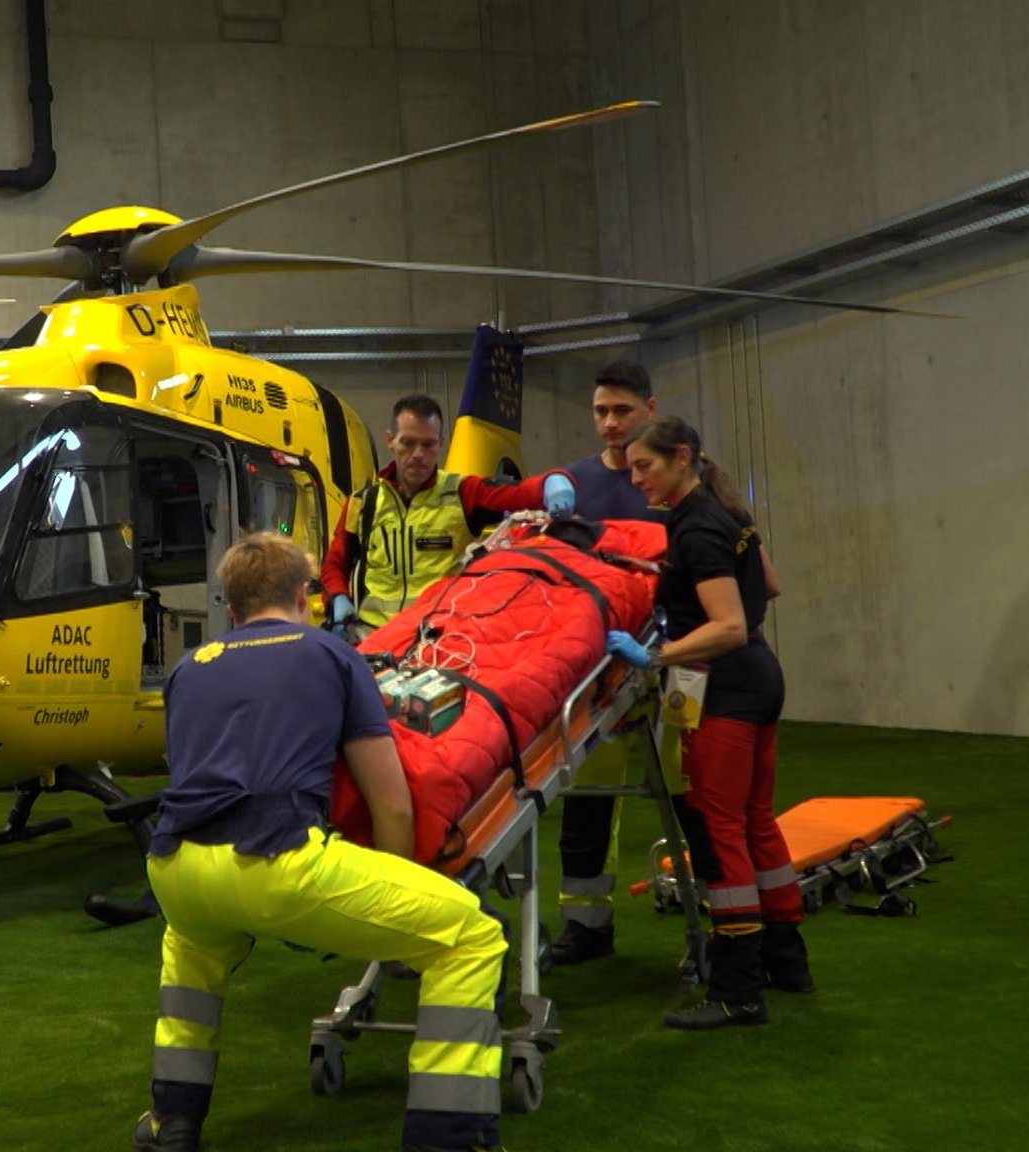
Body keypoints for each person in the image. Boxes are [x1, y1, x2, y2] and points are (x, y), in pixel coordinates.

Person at [136, 532, 509, 1152]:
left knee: (192, 960)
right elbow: (390, 800)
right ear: (305, 595)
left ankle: (172, 1122)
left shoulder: (186, 668)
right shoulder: (332, 656)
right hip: (278, 863)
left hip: (175, 870)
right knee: (469, 936)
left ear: (231, 609)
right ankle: (449, 1135)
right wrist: (390, 911)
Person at [604, 415, 810, 1030]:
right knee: (754, 821)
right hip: (760, 675)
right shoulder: (728, 510)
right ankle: (788, 963)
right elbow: (768, 586)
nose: (635, 477)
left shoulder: (695, 528)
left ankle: (738, 991)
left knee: (720, 830)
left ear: (682, 458)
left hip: (725, 687)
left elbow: (723, 625)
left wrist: (657, 655)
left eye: (645, 465)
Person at [546, 360, 672, 965]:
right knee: (588, 803)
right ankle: (586, 925)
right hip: (599, 670)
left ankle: (721, 930)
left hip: (675, 662)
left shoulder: (674, 482)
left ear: (650, 410)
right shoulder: (573, 483)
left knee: (691, 800)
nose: (610, 423)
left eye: (622, 410)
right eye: (600, 411)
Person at [321, 393, 575, 636]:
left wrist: (552, 481)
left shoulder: (462, 493)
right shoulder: (362, 504)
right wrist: (337, 597)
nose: (418, 454)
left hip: (438, 635)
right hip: (373, 635)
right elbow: (335, 563)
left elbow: (517, 493)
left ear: (441, 443)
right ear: (390, 440)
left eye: (428, 444)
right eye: (408, 443)